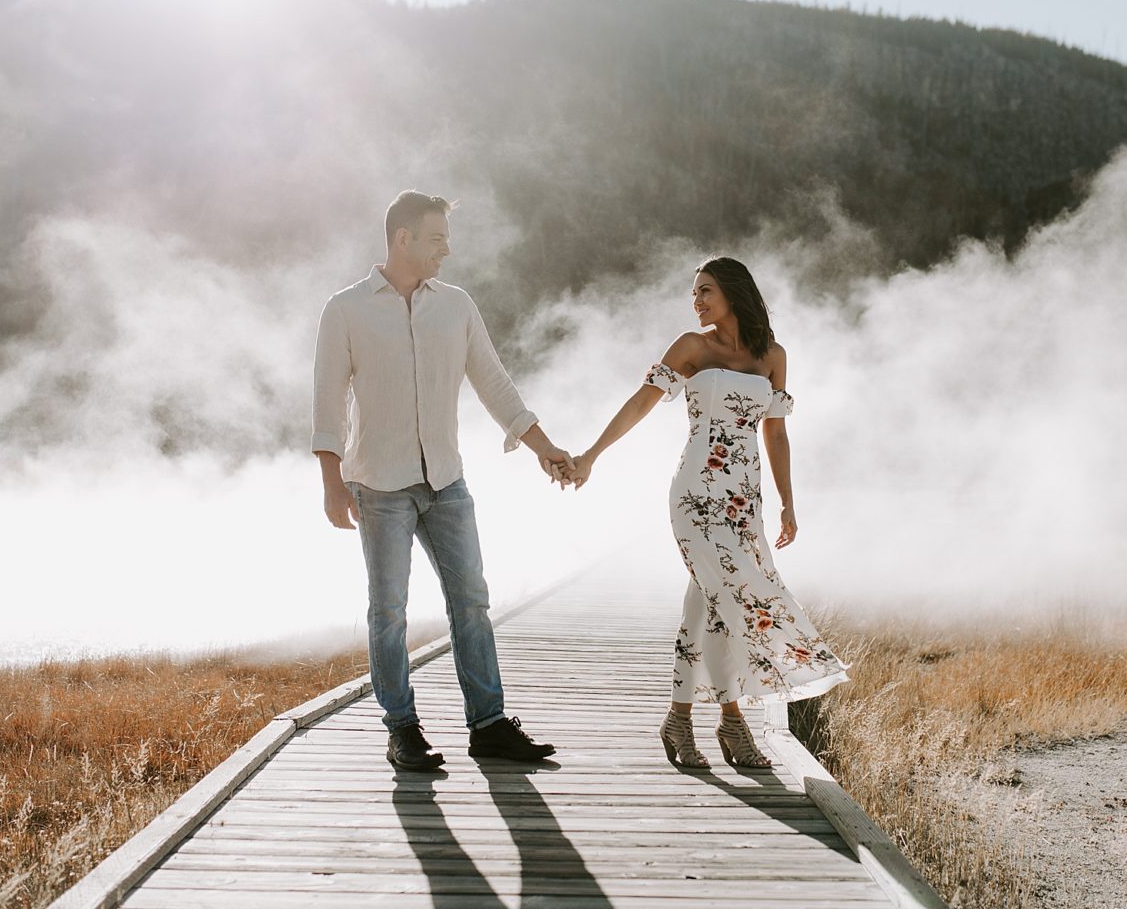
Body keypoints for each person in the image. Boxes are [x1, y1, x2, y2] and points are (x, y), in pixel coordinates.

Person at [312, 190, 572, 771]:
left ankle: (489, 726)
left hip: (446, 482)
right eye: (436, 239)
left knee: (472, 601)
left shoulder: (456, 306)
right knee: (389, 610)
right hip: (379, 485)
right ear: (402, 238)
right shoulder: (346, 309)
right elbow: (327, 402)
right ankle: (402, 729)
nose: (446, 252)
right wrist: (332, 482)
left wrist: (543, 447)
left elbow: (495, 384)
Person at [566, 256, 848, 769]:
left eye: (706, 292)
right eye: (694, 293)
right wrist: (591, 455)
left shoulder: (773, 356)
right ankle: (734, 724)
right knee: (728, 600)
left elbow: (777, 433)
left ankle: (679, 719)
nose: (696, 302)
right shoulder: (693, 347)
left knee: (706, 605)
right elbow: (641, 402)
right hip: (696, 494)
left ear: (734, 294)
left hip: (745, 499)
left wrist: (788, 502)